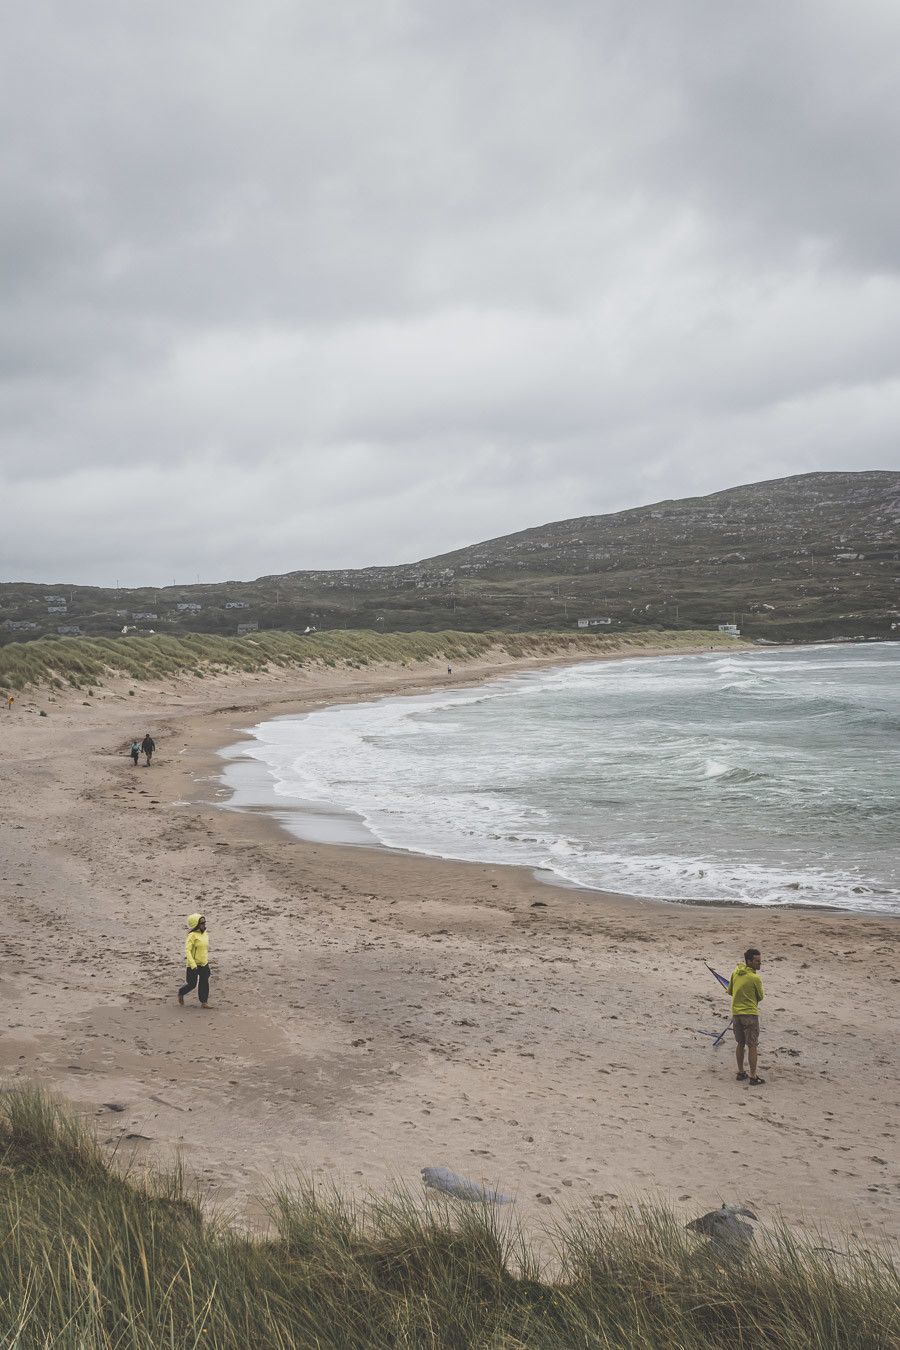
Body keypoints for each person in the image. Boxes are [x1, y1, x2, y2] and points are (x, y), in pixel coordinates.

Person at [728, 947, 764, 1085]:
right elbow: (760, 997)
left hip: (736, 1013)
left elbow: (730, 991)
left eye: (760, 961)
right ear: (749, 961)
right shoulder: (755, 978)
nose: (760, 963)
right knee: (752, 1045)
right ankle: (753, 1076)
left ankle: (741, 1071)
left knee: (740, 1043)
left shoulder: (735, 973)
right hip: (749, 1014)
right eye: (757, 961)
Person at [177, 913, 211, 1009]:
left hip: (204, 963)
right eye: (201, 923)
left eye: (204, 922)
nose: (204, 925)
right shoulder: (191, 936)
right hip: (193, 965)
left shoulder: (205, 934)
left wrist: (205, 961)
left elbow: (204, 949)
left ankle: (204, 1002)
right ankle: (181, 992)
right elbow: (187, 951)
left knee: (204, 982)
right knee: (192, 984)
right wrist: (193, 965)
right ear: (195, 924)